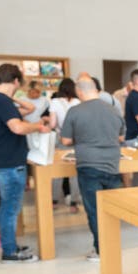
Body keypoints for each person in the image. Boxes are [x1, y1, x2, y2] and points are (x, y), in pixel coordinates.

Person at [0, 64, 51, 263]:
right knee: (10, 209)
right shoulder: (1, 102)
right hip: (9, 164)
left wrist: (9, 94)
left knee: (8, 207)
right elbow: (17, 127)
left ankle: (10, 245)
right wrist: (38, 127)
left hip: (4, 162)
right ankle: (9, 252)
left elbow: (29, 108)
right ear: (16, 81)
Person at [59, 77, 125, 261]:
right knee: (112, 209)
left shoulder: (75, 111)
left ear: (79, 91)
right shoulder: (113, 109)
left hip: (89, 165)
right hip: (112, 165)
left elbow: (65, 140)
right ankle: (112, 247)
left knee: (94, 210)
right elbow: (120, 137)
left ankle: (101, 250)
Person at [49, 78, 81, 212]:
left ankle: (54, 201)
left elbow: (52, 124)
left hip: (60, 138)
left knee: (58, 171)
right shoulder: (78, 102)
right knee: (74, 172)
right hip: (76, 139)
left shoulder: (55, 102)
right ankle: (74, 203)